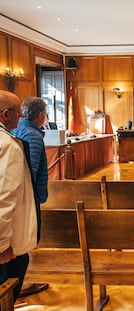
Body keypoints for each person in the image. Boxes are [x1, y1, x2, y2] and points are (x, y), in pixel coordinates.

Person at [0, 90, 39, 303]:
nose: (21, 117)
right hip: (5, 244)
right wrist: (2, 245)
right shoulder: (7, 145)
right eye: (18, 113)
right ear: (6, 114)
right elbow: (4, 199)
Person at [12, 97, 50, 297]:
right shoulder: (33, 135)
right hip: (25, 198)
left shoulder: (17, 130)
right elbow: (29, 171)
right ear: (41, 115)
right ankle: (12, 288)